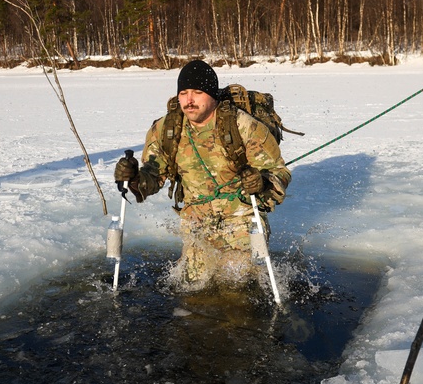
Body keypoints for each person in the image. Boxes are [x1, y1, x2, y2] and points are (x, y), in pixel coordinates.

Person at [114, 60, 291, 288]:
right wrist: (134, 177)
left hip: (242, 221)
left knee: (236, 292)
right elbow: (154, 175)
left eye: (197, 92)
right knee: (193, 290)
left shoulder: (243, 126)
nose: (189, 100)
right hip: (196, 224)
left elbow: (279, 171)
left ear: (212, 95)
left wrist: (262, 182)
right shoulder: (166, 129)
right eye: (184, 93)